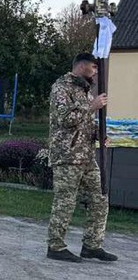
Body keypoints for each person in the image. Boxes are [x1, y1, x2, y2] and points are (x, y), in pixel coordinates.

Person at [46, 53, 118, 262]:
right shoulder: (61, 87)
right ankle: (56, 247)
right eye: (94, 67)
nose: (96, 71)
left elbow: (84, 124)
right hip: (67, 156)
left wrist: (99, 134)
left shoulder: (83, 90)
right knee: (65, 202)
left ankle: (92, 245)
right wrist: (92, 106)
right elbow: (65, 119)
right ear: (82, 66)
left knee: (100, 198)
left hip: (86, 156)